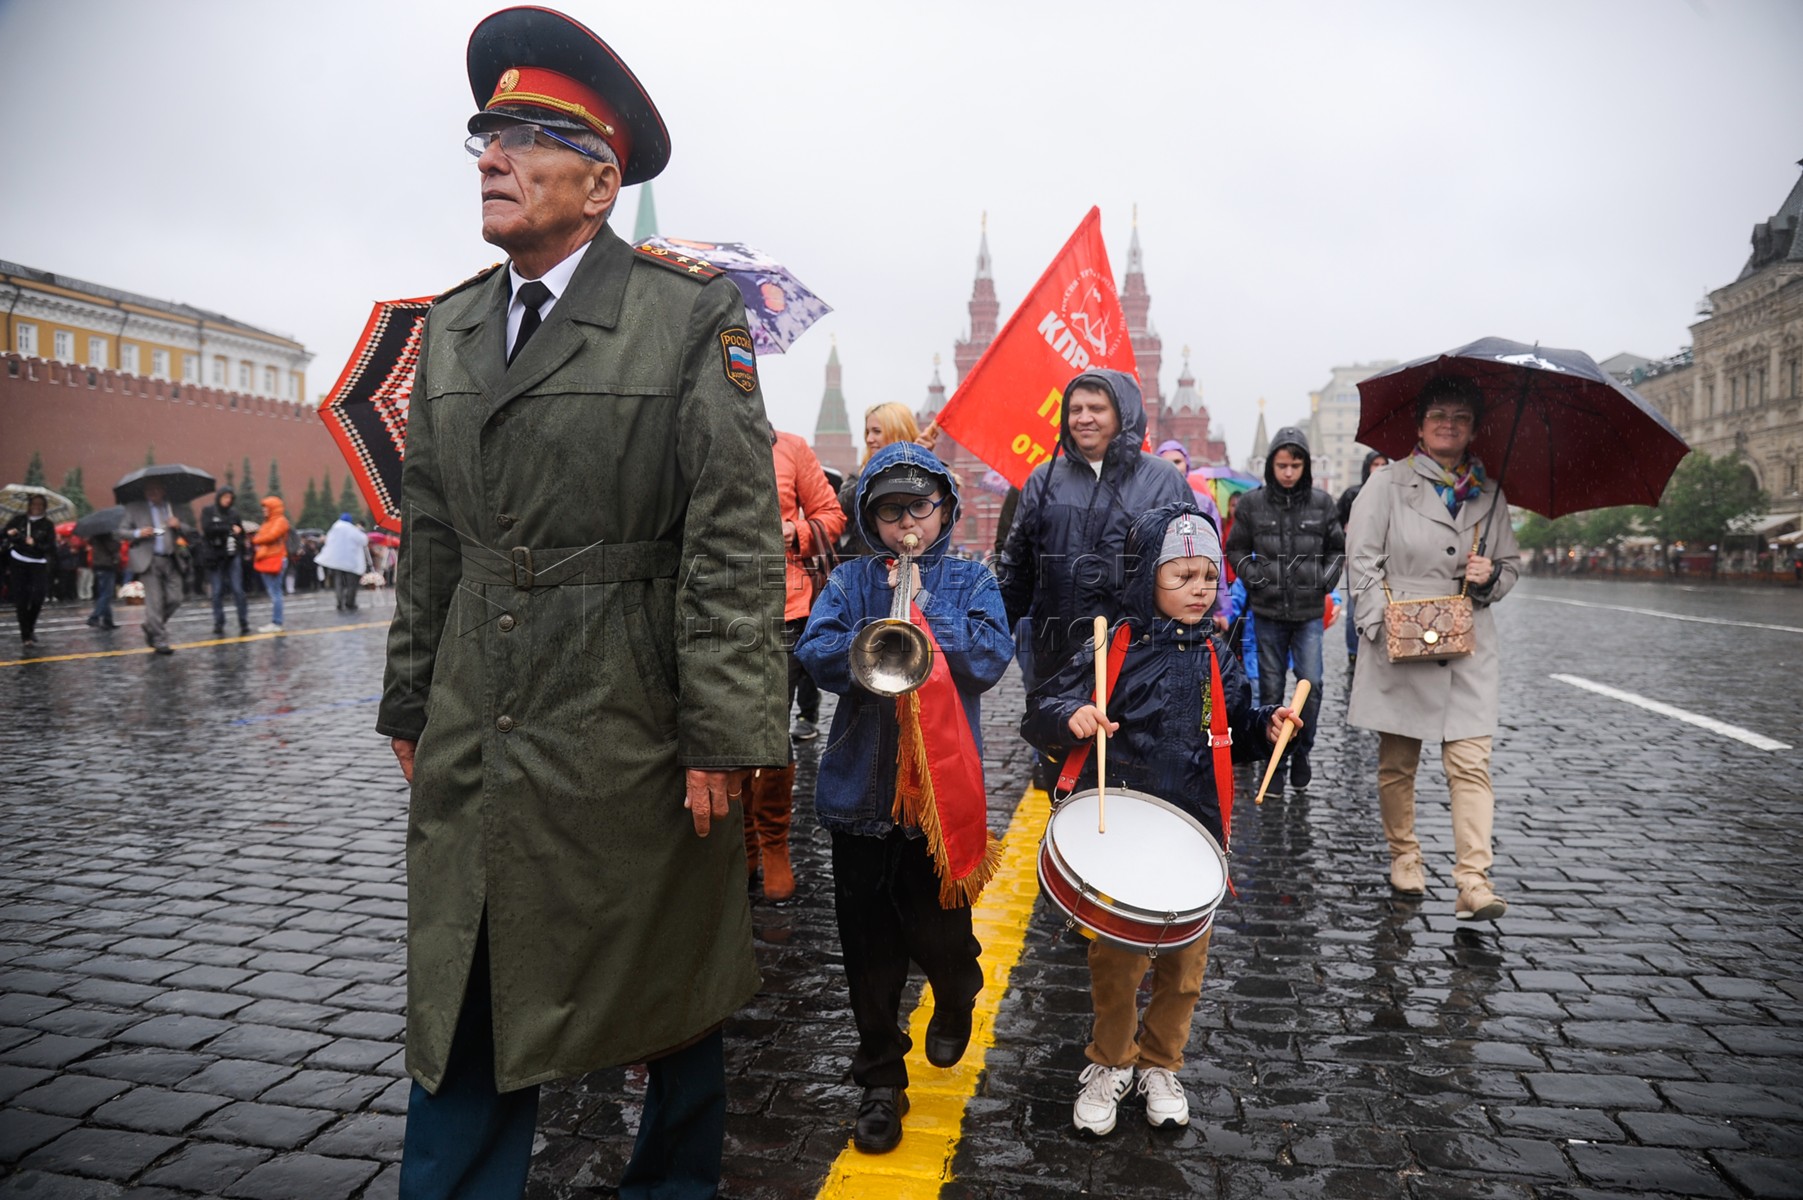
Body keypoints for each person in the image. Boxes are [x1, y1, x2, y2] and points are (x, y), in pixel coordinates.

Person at [376, 9, 789, 1197]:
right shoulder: (452, 326)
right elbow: (433, 535)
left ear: (602, 184)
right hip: (479, 710)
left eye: (527, 138)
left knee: (668, 988)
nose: (494, 159)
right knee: (462, 983)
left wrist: (723, 732)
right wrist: (411, 700)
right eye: (487, 137)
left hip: (631, 715)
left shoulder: (688, 315)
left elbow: (730, 535)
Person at [1022, 503, 1294, 1135]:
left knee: (1185, 973)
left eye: (1210, 576)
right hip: (1124, 829)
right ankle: (1111, 1060)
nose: (1201, 589)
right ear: (1147, 574)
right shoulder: (1111, 644)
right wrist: (1070, 716)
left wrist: (1267, 725)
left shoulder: (1218, 654)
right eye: (1183, 576)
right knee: (1118, 968)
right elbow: (1042, 708)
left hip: (1194, 833)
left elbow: (1235, 726)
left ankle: (1161, 1063)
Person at [795, 443, 1012, 1155]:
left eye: (919, 508)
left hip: (935, 808)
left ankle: (956, 987)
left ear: (944, 508)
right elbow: (815, 653)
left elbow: (989, 658)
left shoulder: (971, 578)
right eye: (890, 512)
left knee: (939, 934)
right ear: (870, 518)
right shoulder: (851, 579)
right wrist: (874, 638)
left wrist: (925, 613)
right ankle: (880, 1082)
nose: (906, 524)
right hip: (858, 801)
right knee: (869, 955)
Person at [1345, 375, 1520, 921]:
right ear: (1420, 426)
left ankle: (1473, 880)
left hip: (1467, 646)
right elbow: (1362, 559)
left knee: (1471, 764)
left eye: (1461, 417)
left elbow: (1510, 566)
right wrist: (1378, 625)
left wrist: (1490, 576)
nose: (1449, 425)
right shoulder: (1387, 485)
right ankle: (1405, 856)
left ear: (1474, 429)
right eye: (1439, 415)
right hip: (1402, 638)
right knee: (1398, 764)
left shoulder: (1491, 494)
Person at [997, 369, 1191, 786]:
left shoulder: (1163, 480)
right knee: (1064, 779)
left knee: (1134, 779)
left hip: (1138, 660)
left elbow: (1190, 569)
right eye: (1076, 409)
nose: (1084, 418)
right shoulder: (1043, 478)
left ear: (1122, 414)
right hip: (1059, 659)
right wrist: (988, 639)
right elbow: (1016, 572)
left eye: (1096, 408)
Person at [745, 428, 843, 900]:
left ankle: (772, 843)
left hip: (784, 610)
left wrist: (795, 531)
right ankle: (742, 843)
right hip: (712, 607)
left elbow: (831, 515)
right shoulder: (696, 440)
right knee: (724, 728)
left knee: (770, 729)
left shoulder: (790, 447)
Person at [1223, 427, 1343, 790]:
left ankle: (1302, 749)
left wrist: (1323, 582)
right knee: (1271, 690)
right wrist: (1255, 577)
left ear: (1305, 466)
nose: (1288, 473)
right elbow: (1236, 548)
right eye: (1282, 465)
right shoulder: (1252, 504)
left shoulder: (1322, 503)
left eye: (1295, 465)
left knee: (1313, 684)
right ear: (1271, 466)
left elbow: (1337, 550)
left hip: (1308, 612)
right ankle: (1274, 760)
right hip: (1267, 611)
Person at [837, 401, 923, 559]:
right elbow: (840, 511)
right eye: (867, 432)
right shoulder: (860, 476)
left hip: (917, 563)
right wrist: (874, 473)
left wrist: (920, 463)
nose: (869, 439)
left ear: (897, 432)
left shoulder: (925, 474)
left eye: (877, 431)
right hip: (864, 565)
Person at [121, 481, 191, 655]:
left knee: (176, 598)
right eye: (149, 489)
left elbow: (190, 530)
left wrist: (179, 525)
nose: (152, 492)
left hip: (172, 559)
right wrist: (138, 533)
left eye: (156, 488)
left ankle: (150, 625)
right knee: (155, 602)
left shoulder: (172, 508)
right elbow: (120, 532)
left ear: (163, 490)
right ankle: (160, 639)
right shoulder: (134, 508)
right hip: (149, 560)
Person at [1335, 450, 1389, 670]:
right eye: (1375, 464)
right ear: (1367, 467)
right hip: (1358, 558)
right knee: (1355, 607)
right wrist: (1347, 541)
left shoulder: (1394, 494)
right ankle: (1354, 651)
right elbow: (1335, 524)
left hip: (1387, 559)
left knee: (1386, 604)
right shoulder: (1353, 494)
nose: (1379, 469)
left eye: (1383, 464)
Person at [199, 487, 251, 636]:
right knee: (217, 591)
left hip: (232, 554)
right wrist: (228, 528)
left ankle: (243, 621)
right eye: (225, 497)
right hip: (215, 556)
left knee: (238, 589)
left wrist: (239, 538)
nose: (227, 500)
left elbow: (240, 531)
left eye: (230, 497)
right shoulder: (209, 511)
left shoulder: (234, 513)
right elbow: (207, 528)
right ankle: (219, 622)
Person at [4, 495, 55, 648]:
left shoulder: (47, 525)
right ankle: (25, 635)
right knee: (21, 599)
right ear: (29, 505)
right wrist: (10, 534)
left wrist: (35, 544)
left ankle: (30, 626)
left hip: (38, 563)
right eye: (34, 504)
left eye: (40, 504)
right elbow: (4, 534)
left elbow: (50, 547)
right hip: (18, 560)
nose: (36, 507)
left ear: (44, 507)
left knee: (38, 597)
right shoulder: (19, 520)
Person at [1153, 439, 1222, 529]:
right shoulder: (1151, 501)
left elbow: (1214, 534)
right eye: (1167, 463)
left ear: (1187, 464)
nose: (1173, 467)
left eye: (1177, 462)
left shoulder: (1204, 502)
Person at [316, 513, 372, 612]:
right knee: (351, 584)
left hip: (336, 562)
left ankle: (339, 602)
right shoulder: (352, 529)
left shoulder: (334, 528)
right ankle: (350, 602)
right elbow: (364, 540)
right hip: (351, 562)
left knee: (338, 583)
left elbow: (328, 541)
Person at [250, 496, 289, 633]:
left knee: (275, 592)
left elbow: (271, 536)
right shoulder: (269, 522)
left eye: (266, 508)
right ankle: (276, 621)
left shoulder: (280, 521)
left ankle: (277, 622)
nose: (264, 510)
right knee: (273, 592)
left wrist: (257, 539)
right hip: (268, 559)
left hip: (276, 559)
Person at [85, 528, 120, 630]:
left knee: (104, 593)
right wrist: (117, 541)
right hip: (106, 565)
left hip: (98, 565)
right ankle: (94, 617)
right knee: (107, 594)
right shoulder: (106, 535)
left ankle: (107, 620)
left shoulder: (95, 536)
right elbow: (113, 548)